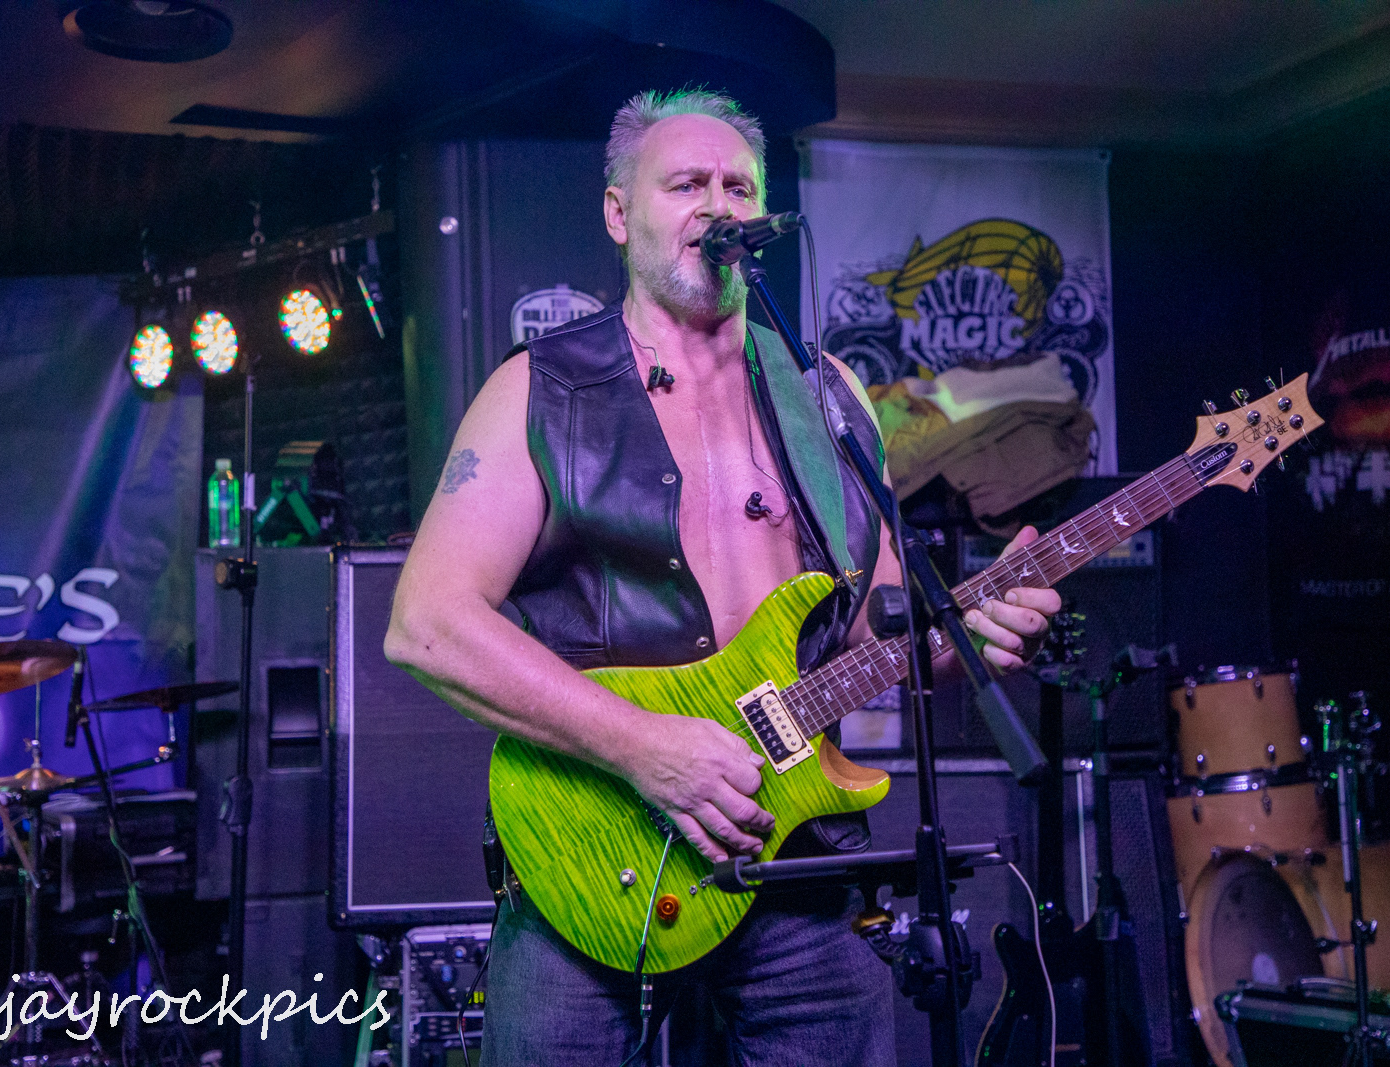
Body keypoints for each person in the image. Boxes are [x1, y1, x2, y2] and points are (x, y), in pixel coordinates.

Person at [385, 88, 1061, 1066]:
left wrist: (968, 636)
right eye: (685, 184)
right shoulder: (540, 389)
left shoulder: (829, 397)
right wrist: (646, 748)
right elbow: (427, 623)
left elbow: (872, 634)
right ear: (619, 213)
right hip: (595, 853)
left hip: (793, 855)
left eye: (737, 187)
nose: (716, 204)